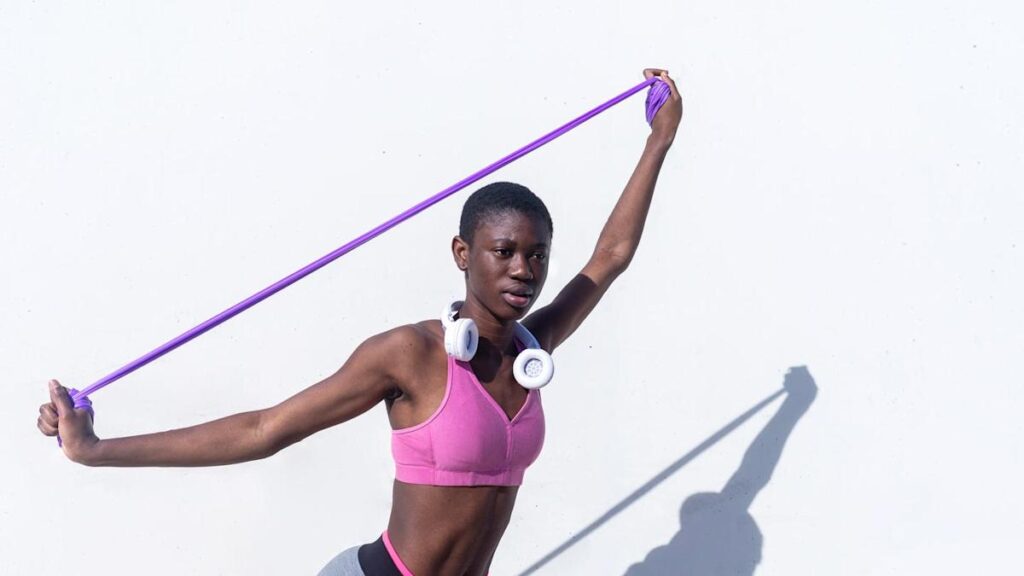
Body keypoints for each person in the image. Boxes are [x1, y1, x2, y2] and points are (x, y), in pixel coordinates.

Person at [37, 68, 682, 576]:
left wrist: (658, 141)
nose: (523, 270)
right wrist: (95, 450)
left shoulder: (531, 349)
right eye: (504, 251)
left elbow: (610, 257)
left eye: (537, 255)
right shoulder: (409, 355)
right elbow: (265, 429)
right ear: (463, 254)